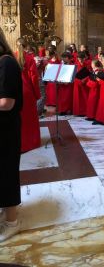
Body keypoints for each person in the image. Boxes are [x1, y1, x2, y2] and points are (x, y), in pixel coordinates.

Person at [0, 29, 23, 241]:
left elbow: (6, 103)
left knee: (5, 172)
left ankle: (12, 221)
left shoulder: (6, 63)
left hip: (5, 130)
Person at [16, 38, 41, 153]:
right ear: (27, 46)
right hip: (27, 92)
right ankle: (31, 143)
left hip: (14, 92)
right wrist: (37, 94)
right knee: (29, 119)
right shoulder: (30, 58)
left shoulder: (11, 57)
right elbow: (34, 78)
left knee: (18, 119)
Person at [73, 52, 89, 116]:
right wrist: (78, 80)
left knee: (84, 97)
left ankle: (84, 111)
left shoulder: (87, 64)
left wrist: (84, 80)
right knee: (77, 97)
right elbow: (73, 74)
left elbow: (89, 73)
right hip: (77, 83)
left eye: (81, 59)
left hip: (84, 83)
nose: (80, 60)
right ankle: (78, 112)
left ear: (84, 58)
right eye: (79, 59)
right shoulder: (76, 65)